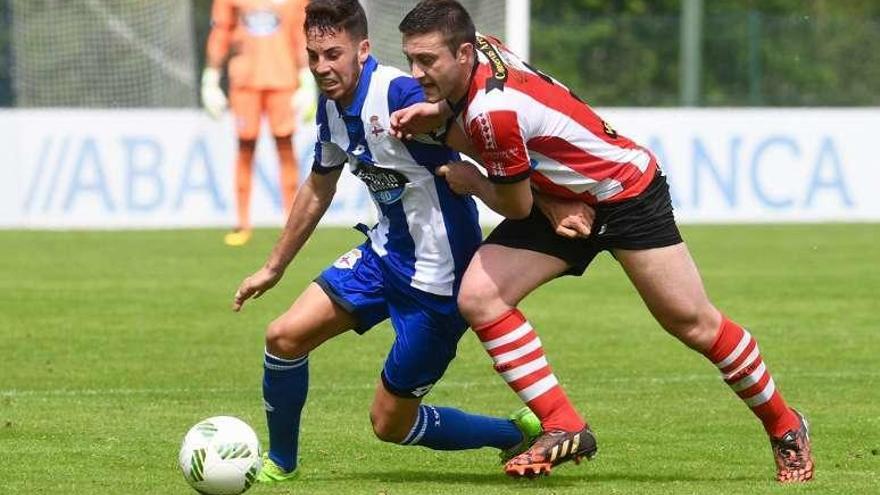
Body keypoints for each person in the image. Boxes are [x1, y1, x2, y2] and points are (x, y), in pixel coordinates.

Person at [390, 0, 814, 483]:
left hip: (625, 192)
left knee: (692, 322)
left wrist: (470, 178)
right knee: (481, 297)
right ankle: (562, 424)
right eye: (412, 59)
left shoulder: (493, 111)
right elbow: (494, 139)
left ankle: (785, 426)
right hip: (562, 196)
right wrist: (439, 112)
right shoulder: (486, 56)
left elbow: (512, 205)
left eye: (428, 61)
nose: (416, 70)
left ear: (465, 52)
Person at [231, 0, 541, 484]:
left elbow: (499, 139)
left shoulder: (399, 92)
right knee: (284, 337)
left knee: (389, 424)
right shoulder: (332, 106)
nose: (321, 67)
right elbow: (319, 184)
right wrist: (273, 267)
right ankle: (281, 463)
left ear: (363, 49)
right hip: (384, 254)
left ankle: (510, 432)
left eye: (333, 54)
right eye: (313, 55)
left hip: (439, 280)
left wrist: (556, 202)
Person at [203, 0, 316, 246]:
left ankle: (292, 223)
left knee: (286, 148)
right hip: (244, 81)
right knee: (245, 148)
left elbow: (301, 32)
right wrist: (210, 76)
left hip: (283, 80)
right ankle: (242, 224)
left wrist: (306, 76)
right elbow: (221, 31)